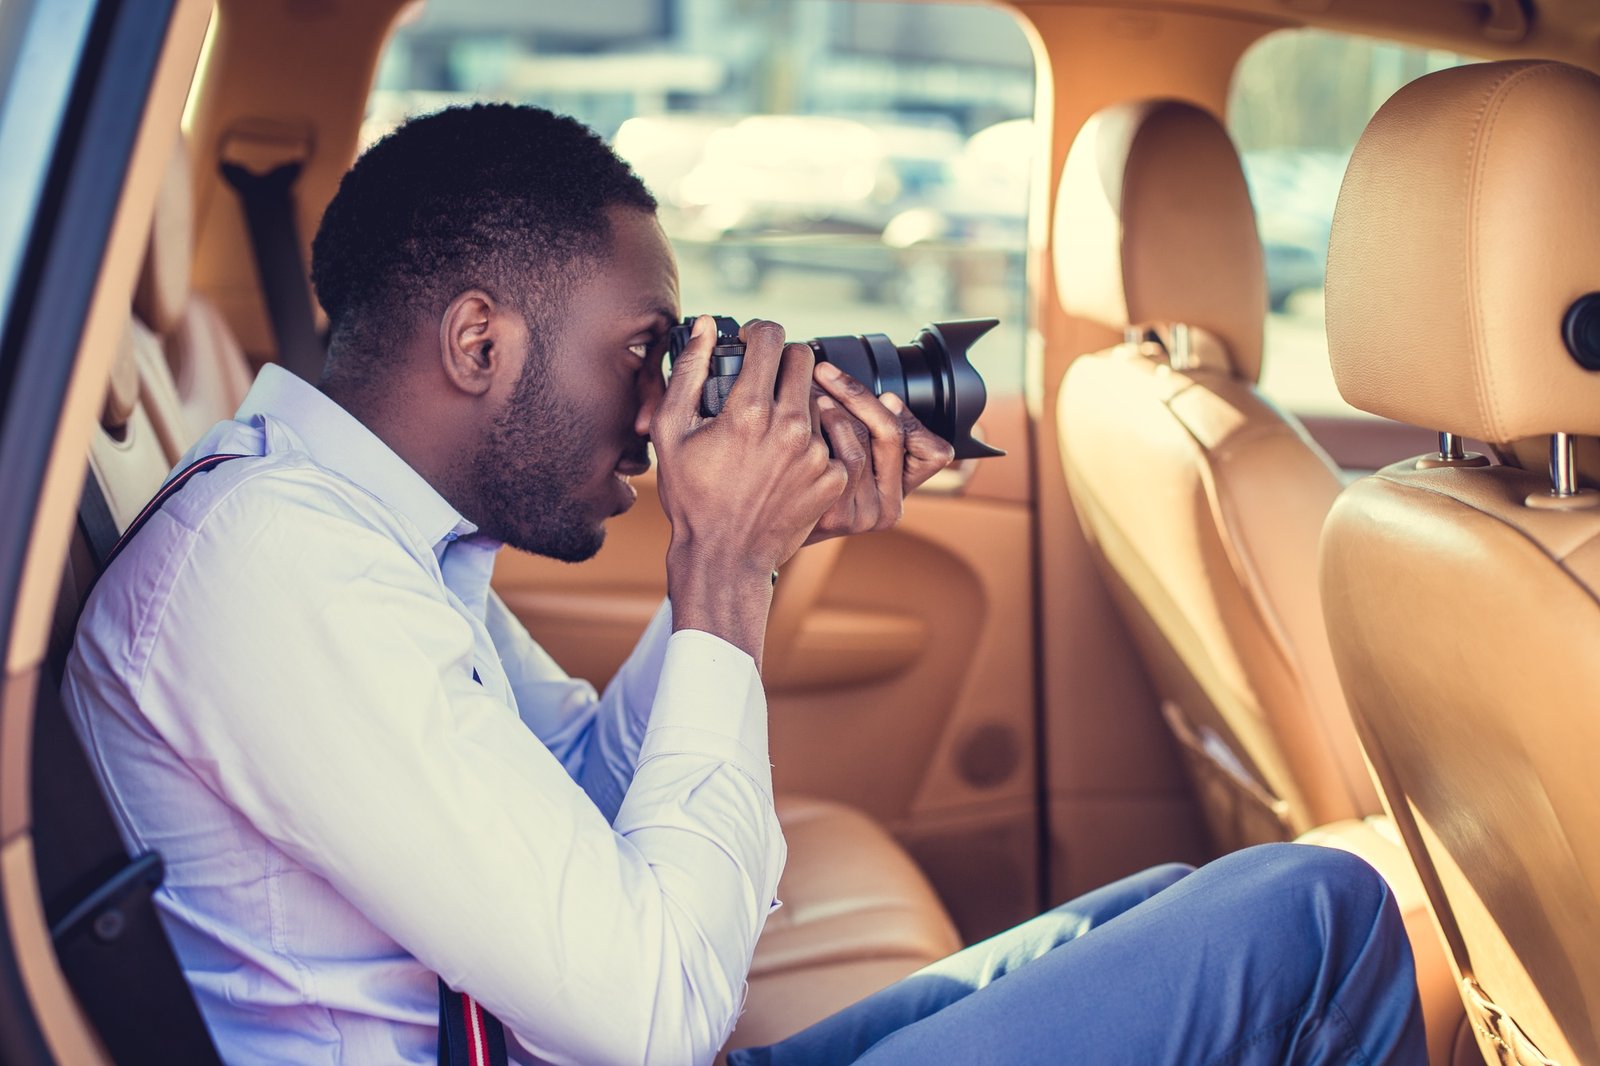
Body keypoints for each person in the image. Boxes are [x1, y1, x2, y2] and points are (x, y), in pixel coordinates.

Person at [62, 104, 1425, 1065]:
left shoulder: (369, 540)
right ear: (477, 338)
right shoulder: (273, 572)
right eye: (643, 349)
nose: (663, 410)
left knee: (1174, 898)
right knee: (1316, 916)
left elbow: (582, 798)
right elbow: (655, 1015)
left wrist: (759, 552)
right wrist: (716, 570)